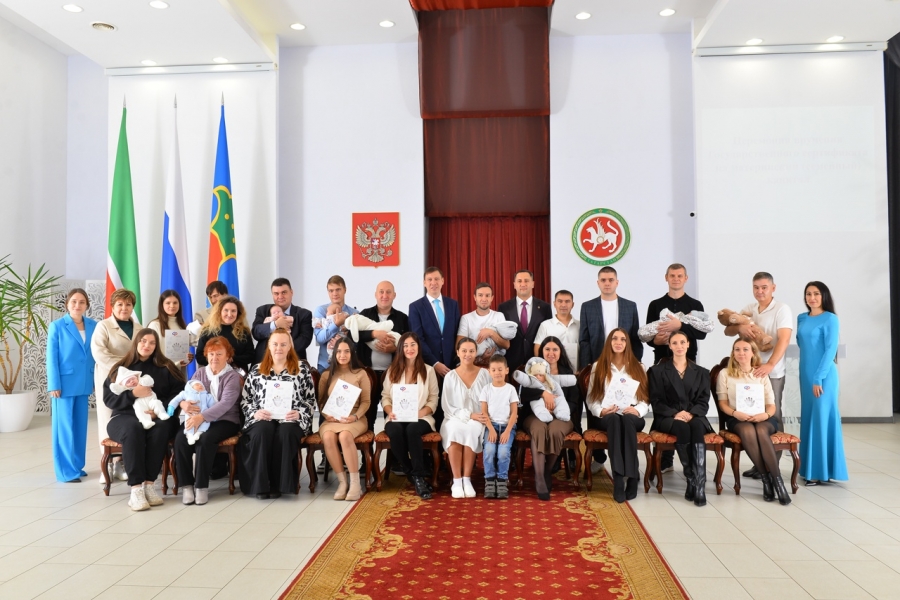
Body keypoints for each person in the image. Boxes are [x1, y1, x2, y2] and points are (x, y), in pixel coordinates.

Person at [103, 329, 186, 510]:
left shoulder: (166, 367)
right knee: (133, 429)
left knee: (161, 428)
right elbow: (109, 399)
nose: (147, 345)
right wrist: (133, 394)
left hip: (158, 415)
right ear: (136, 342)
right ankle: (136, 490)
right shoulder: (120, 368)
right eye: (143, 341)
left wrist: (158, 410)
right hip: (124, 417)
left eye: (152, 342)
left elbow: (179, 393)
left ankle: (149, 485)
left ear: (157, 346)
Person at [642, 264, 711, 474]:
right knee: (667, 402)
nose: (676, 279)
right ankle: (666, 459)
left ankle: (692, 468)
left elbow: (702, 333)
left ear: (686, 278)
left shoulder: (695, 304)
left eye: (680, 275)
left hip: (687, 360)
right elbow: (647, 336)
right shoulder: (656, 304)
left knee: (686, 400)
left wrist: (679, 327)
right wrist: (657, 340)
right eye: (672, 275)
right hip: (663, 361)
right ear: (666, 278)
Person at [724, 272, 792, 480]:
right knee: (752, 416)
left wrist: (770, 365)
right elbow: (728, 330)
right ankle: (759, 463)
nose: (760, 291)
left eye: (764, 287)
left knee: (772, 416)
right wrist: (741, 326)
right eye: (756, 287)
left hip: (771, 372)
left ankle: (772, 467)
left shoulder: (781, 309)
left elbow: (784, 339)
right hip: (749, 372)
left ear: (773, 288)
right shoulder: (750, 308)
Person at [238, 329, 316, 499]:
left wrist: (299, 413)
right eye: (275, 344)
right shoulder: (256, 370)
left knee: (285, 432)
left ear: (290, 347)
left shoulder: (302, 370)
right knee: (262, 431)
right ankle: (260, 485)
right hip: (263, 418)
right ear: (269, 346)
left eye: (283, 344)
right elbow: (246, 400)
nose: (278, 348)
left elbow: (310, 400)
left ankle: (279, 485)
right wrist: (255, 413)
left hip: (291, 419)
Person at [716, 339, 790, 504]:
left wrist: (764, 415)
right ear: (733, 353)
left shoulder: (761, 374)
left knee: (761, 430)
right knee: (748, 430)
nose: (741, 353)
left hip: (763, 418)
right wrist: (735, 413)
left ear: (753, 353)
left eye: (745, 349)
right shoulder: (725, 374)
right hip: (738, 418)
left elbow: (771, 405)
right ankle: (766, 479)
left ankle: (777, 482)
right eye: (737, 349)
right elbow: (722, 403)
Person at [171, 335, 243, 505]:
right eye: (211, 354)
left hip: (225, 420)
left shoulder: (232, 377)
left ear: (228, 356)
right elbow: (187, 393)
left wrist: (201, 417)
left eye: (219, 354)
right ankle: (187, 486)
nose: (214, 358)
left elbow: (226, 404)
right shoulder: (200, 373)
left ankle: (201, 487)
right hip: (197, 418)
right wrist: (183, 404)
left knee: (206, 439)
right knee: (180, 439)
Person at [648, 331, 713, 507]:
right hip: (667, 416)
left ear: (688, 344)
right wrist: (675, 414)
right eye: (675, 343)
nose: (679, 346)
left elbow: (703, 401)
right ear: (669, 346)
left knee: (697, 427)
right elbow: (656, 401)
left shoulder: (702, 372)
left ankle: (699, 484)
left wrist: (691, 414)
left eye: (682, 342)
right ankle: (691, 477)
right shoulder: (657, 371)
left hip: (694, 415)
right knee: (682, 428)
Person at [585, 328, 650, 503]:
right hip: (608, 415)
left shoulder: (639, 367)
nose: (618, 342)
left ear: (627, 343)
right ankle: (619, 479)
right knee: (614, 420)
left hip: (631, 414)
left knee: (627, 419)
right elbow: (591, 399)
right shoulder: (598, 367)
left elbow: (645, 399)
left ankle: (632, 477)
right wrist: (601, 411)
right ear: (609, 342)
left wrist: (637, 410)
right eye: (615, 338)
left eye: (623, 339)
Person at [797, 281, 847, 486]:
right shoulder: (801, 318)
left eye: (816, 294)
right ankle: (808, 468)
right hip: (805, 375)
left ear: (824, 295)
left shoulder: (831, 319)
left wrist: (818, 378)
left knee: (822, 419)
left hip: (824, 377)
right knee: (809, 418)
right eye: (808, 294)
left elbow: (830, 350)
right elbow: (803, 345)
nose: (812, 298)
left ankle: (820, 472)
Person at [91, 288, 142, 484]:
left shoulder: (139, 328)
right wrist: (124, 367)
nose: (124, 308)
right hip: (110, 379)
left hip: (133, 381)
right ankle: (108, 467)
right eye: (120, 304)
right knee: (107, 418)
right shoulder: (103, 326)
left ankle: (121, 463)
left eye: (128, 304)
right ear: (112, 306)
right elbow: (99, 353)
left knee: (128, 420)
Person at [46, 288, 97, 483]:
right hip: (64, 385)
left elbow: (95, 354)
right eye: (74, 301)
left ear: (87, 305)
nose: (77, 305)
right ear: (67, 304)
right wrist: (54, 384)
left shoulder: (93, 325)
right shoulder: (57, 326)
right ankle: (66, 471)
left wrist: (94, 380)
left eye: (82, 302)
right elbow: (51, 358)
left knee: (80, 427)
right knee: (64, 429)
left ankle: (76, 466)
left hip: (84, 383)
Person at [381, 332, 440, 500]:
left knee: (413, 430)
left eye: (413, 344)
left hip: (421, 417)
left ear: (418, 347)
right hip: (396, 416)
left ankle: (418, 476)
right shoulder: (393, 370)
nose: (409, 348)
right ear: (401, 348)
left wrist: (422, 412)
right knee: (395, 431)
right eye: (405, 345)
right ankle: (412, 473)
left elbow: (433, 398)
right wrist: (389, 411)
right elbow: (385, 396)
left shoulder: (428, 371)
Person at [522, 337, 577, 500]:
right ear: (541, 352)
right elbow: (522, 394)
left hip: (561, 416)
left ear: (561, 352)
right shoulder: (532, 370)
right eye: (547, 349)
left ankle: (547, 471)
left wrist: (557, 410)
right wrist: (542, 394)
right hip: (535, 415)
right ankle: (539, 478)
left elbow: (574, 401)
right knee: (539, 429)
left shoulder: (567, 373)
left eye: (555, 349)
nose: (551, 353)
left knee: (555, 430)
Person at [317, 337, 371, 502]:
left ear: (352, 353)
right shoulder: (327, 375)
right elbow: (321, 401)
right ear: (334, 354)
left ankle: (355, 483)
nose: (343, 355)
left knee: (345, 435)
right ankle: (342, 482)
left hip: (355, 417)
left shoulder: (360, 373)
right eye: (339, 351)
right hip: (332, 418)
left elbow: (366, 401)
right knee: (328, 437)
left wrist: (355, 416)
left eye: (347, 351)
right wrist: (326, 415)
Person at [440, 338, 492, 499]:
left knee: (471, 430)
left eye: (471, 351)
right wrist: (469, 415)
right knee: (454, 430)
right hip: (454, 417)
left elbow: (491, 398)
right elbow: (447, 406)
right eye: (464, 351)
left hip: (478, 418)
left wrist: (479, 416)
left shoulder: (485, 374)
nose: (467, 354)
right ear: (457, 352)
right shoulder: (450, 376)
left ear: (476, 353)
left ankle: (467, 479)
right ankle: (456, 481)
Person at [354, 281, 409, 431]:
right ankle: (368, 447)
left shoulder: (402, 318)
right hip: (367, 374)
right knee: (368, 416)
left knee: (393, 418)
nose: (385, 295)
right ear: (375, 294)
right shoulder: (365, 314)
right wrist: (374, 333)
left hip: (394, 375)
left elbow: (409, 344)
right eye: (381, 292)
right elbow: (353, 336)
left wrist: (395, 349)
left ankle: (392, 446)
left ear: (394, 295)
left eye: (388, 292)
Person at [579, 266, 643, 367]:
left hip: (624, 362)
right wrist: (586, 366)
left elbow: (635, 338)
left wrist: (636, 362)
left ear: (617, 282)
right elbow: (584, 340)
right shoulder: (587, 307)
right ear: (598, 283)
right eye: (603, 280)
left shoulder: (630, 306)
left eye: (611, 280)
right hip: (597, 360)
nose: (607, 283)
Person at [408, 267, 461, 380]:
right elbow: (417, 339)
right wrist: (435, 363)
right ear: (424, 283)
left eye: (436, 279)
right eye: (429, 279)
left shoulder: (453, 305)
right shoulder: (415, 307)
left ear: (442, 281)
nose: (433, 283)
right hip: (428, 366)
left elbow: (457, 334)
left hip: (452, 366)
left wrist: (457, 360)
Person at [480, 355, 519, 499]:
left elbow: (514, 413)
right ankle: (490, 480)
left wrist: (507, 431)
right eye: (494, 370)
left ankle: (502, 480)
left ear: (506, 370)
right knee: (489, 450)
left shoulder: (510, 389)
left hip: (507, 427)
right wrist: (490, 429)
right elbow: (484, 412)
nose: (497, 373)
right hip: (491, 426)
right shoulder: (486, 389)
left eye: (500, 369)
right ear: (489, 371)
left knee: (503, 452)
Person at [498, 269, 552, 372]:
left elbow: (547, 336)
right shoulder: (504, 308)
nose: (523, 284)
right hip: (511, 362)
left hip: (537, 363)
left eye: (526, 281)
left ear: (533, 284)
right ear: (514, 284)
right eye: (519, 281)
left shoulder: (545, 308)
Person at [251, 277, 314, 363]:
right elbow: (256, 332)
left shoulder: (304, 314)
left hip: (292, 362)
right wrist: (275, 324)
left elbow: (304, 340)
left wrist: (280, 353)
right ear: (272, 295)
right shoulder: (262, 310)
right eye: (276, 293)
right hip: (264, 362)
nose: (280, 296)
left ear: (291, 292)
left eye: (284, 292)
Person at [311, 276, 359, 372]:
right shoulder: (321, 310)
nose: (335, 294)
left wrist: (344, 341)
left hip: (348, 365)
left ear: (345, 290)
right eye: (331, 291)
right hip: (325, 365)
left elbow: (358, 343)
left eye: (338, 289)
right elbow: (320, 339)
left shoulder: (354, 313)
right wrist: (336, 324)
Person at [456, 283, 511, 367]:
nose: (484, 299)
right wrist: (481, 358)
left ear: (492, 298)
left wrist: (491, 333)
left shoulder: (499, 316)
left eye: (487, 295)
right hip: (473, 365)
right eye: (480, 295)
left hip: (496, 366)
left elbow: (506, 345)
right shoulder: (466, 318)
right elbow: (459, 347)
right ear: (475, 297)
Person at [197, 295, 256, 372]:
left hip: (238, 375)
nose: (229, 314)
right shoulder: (207, 331)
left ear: (238, 313)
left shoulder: (244, 331)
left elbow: (251, 356)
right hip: (213, 374)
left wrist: (232, 359)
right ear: (219, 312)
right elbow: (199, 357)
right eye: (226, 310)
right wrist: (218, 360)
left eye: (233, 311)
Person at [513, 357, 573, 423]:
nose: (551, 353)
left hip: (557, 410)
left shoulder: (565, 373)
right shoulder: (530, 375)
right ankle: (543, 414)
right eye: (535, 375)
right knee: (538, 425)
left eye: (540, 375)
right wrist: (542, 393)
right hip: (534, 414)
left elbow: (572, 400)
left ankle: (562, 413)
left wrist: (555, 408)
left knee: (560, 400)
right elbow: (521, 391)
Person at [534, 290, 580, 371]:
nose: (563, 305)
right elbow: (538, 348)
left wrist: (581, 369)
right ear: (554, 304)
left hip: (576, 371)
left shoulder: (580, 325)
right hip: (551, 372)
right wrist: (543, 369)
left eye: (567, 301)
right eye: (560, 301)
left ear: (572, 305)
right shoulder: (545, 325)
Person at [148, 290, 195, 370]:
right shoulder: (155, 325)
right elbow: (150, 352)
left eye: (175, 303)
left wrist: (187, 357)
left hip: (179, 371)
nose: (172, 306)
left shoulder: (182, 326)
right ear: (162, 305)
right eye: (168, 303)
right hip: (161, 371)